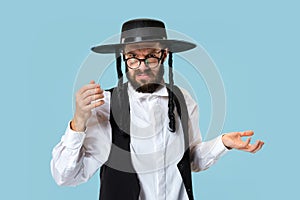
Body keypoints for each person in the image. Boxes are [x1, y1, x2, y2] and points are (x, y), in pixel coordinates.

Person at [50, 18, 264, 200]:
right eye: (133, 57)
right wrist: (78, 122)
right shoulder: (105, 105)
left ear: (164, 55)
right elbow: (66, 177)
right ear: (123, 58)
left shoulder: (183, 100)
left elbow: (191, 161)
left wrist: (222, 143)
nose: (142, 66)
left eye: (151, 56)